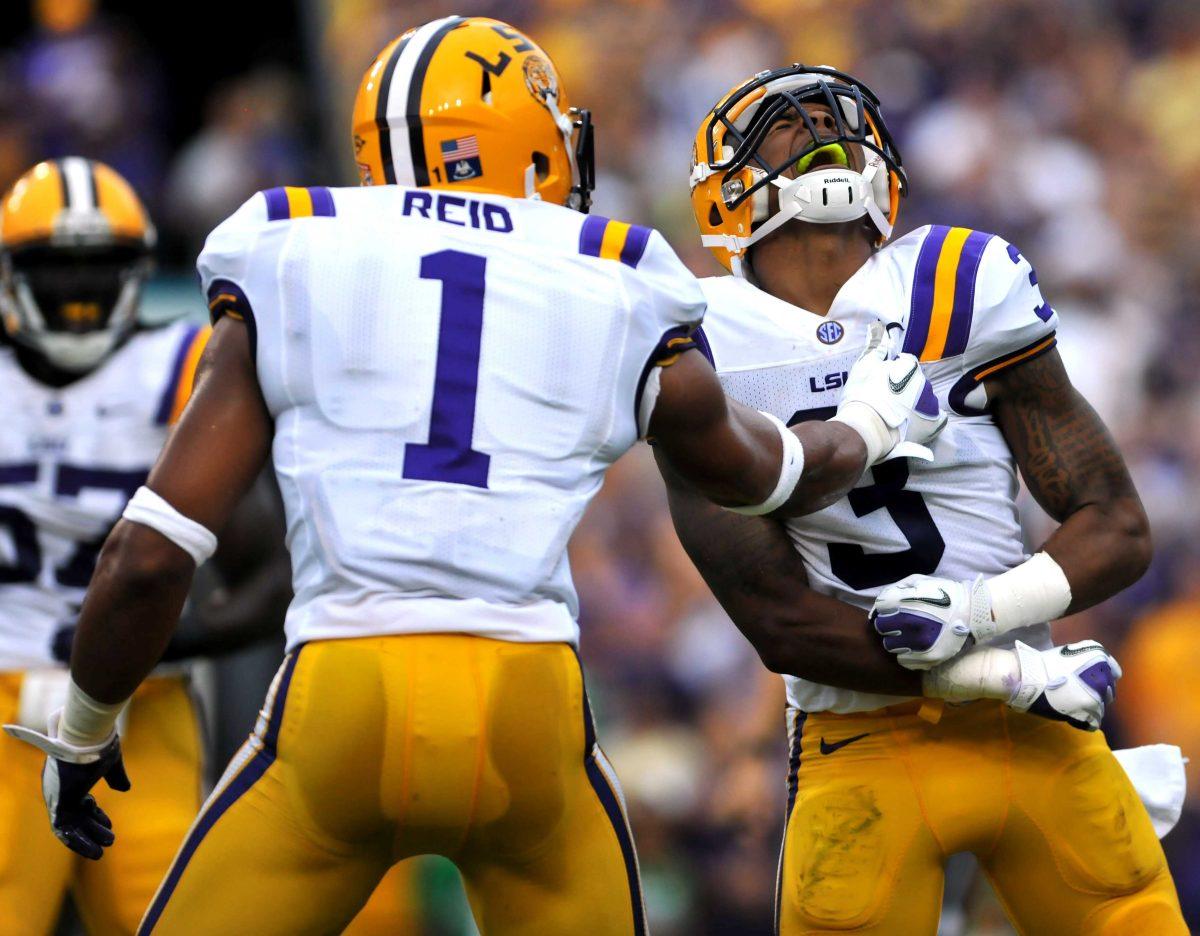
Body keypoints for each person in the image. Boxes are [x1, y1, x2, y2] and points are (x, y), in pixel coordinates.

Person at [4, 20, 941, 936]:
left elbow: (150, 557)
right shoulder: (614, 269)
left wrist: (84, 729)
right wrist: (864, 427)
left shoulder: (294, 240)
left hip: (343, 696)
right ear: (516, 134)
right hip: (525, 707)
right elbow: (758, 473)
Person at [664, 64, 1187, 933]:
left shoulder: (957, 277)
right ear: (723, 196)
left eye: (833, 115)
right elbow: (779, 624)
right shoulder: (696, 337)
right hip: (867, 741)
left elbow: (1119, 525)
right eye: (777, 125)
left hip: (1038, 731)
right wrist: (1001, 669)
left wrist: (986, 612)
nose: (816, 123)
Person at [0, 158, 289, 936]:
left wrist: (145, 642)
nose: (78, 292)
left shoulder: (180, 369)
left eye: (99, 268)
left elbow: (272, 579)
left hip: (141, 709)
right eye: (57, 271)